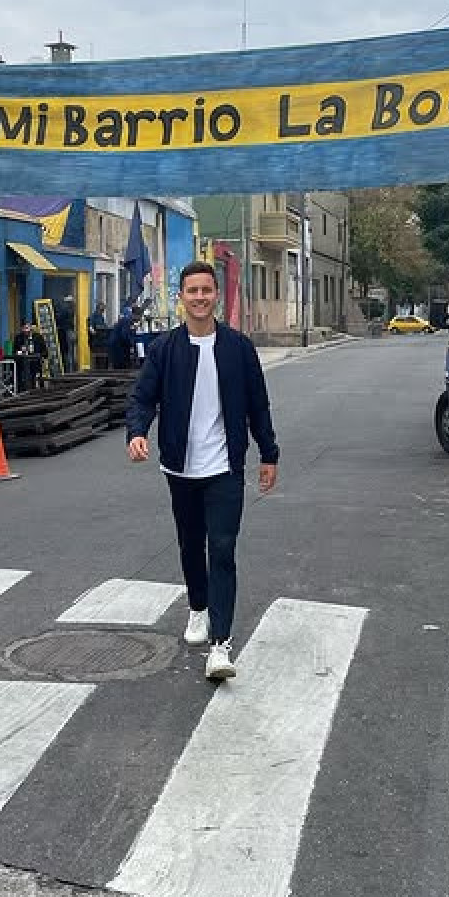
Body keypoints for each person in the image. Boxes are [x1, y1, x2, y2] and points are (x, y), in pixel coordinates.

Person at [126, 259, 278, 682]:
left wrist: (269, 454)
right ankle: (197, 607)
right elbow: (142, 399)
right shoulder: (164, 350)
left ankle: (221, 644)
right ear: (182, 297)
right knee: (191, 545)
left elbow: (257, 406)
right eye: (191, 291)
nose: (199, 297)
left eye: (206, 290)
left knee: (223, 548)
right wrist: (136, 433)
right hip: (180, 465)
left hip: (226, 465)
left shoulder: (238, 348)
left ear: (217, 296)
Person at [13, 319, 49, 389]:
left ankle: (37, 387)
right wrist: (20, 352)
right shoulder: (18, 338)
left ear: (31, 328)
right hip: (22, 361)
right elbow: (15, 351)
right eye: (24, 328)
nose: (26, 331)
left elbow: (45, 352)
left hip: (35, 361)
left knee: (35, 369)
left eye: (27, 328)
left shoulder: (38, 337)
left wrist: (39, 354)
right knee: (18, 368)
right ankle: (21, 387)